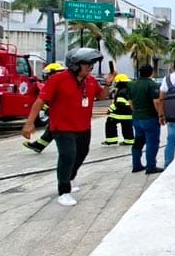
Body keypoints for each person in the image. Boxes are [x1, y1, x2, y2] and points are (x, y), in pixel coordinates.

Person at [21, 48, 112, 207]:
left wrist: (108, 84)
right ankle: (63, 191)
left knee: (82, 154)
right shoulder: (58, 79)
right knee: (68, 155)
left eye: (91, 64)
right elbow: (40, 101)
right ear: (75, 65)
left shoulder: (90, 81)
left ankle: (70, 177)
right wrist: (29, 123)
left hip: (83, 127)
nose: (90, 67)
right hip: (62, 127)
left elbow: (102, 96)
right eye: (87, 64)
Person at [22, 62, 65, 153]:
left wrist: (45, 108)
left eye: (48, 74)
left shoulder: (58, 84)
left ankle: (39, 145)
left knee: (54, 130)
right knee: (52, 129)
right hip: (60, 113)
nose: (46, 77)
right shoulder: (59, 83)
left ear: (54, 73)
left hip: (63, 114)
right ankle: (39, 145)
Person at [128, 64, 163, 174]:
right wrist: (161, 115)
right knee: (152, 143)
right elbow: (156, 102)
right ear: (151, 72)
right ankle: (151, 166)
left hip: (136, 118)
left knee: (138, 142)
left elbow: (130, 102)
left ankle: (136, 164)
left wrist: (136, 112)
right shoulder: (152, 85)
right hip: (149, 118)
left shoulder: (132, 85)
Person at [102, 74, 134, 146]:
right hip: (129, 114)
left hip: (119, 114)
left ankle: (111, 140)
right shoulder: (129, 90)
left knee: (110, 123)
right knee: (127, 127)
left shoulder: (121, 91)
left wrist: (110, 109)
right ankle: (129, 141)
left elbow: (119, 103)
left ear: (119, 82)